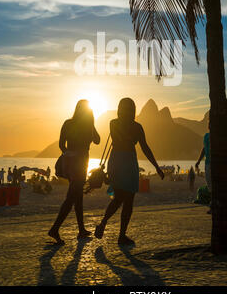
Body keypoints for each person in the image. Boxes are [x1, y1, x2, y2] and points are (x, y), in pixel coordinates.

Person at [94, 98, 164, 246]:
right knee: (127, 199)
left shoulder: (113, 123)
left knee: (119, 197)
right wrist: (156, 167)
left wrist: (157, 166)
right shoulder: (137, 127)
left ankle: (104, 224)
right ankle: (120, 234)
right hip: (128, 161)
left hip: (116, 161)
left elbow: (123, 140)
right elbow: (144, 147)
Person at [48, 99, 100, 244]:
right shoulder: (88, 125)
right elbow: (97, 140)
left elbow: (61, 145)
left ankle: (81, 229)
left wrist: (68, 155)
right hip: (81, 163)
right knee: (71, 197)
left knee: (77, 197)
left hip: (72, 164)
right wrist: (92, 124)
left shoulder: (68, 123)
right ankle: (55, 229)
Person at [195, 124, 211, 213]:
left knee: (214, 185)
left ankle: (214, 205)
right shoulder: (206, 136)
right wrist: (198, 161)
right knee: (210, 185)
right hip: (208, 163)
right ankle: (214, 204)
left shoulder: (220, 136)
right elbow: (204, 149)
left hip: (216, 163)